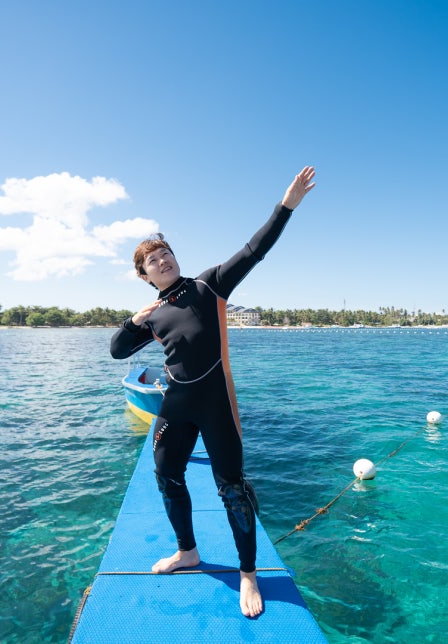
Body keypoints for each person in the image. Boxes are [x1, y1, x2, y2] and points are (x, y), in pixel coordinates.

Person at [109, 166, 316, 618]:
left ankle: (247, 573)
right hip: (177, 405)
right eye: (153, 260)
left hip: (216, 405)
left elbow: (253, 251)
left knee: (232, 490)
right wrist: (136, 321)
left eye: (166, 253)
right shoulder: (154, 314)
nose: (162, 260)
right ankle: (188, 552)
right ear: (144, 274)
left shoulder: (208, 285)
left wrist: (286, 207)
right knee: (166, 476)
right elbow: (116, 350)